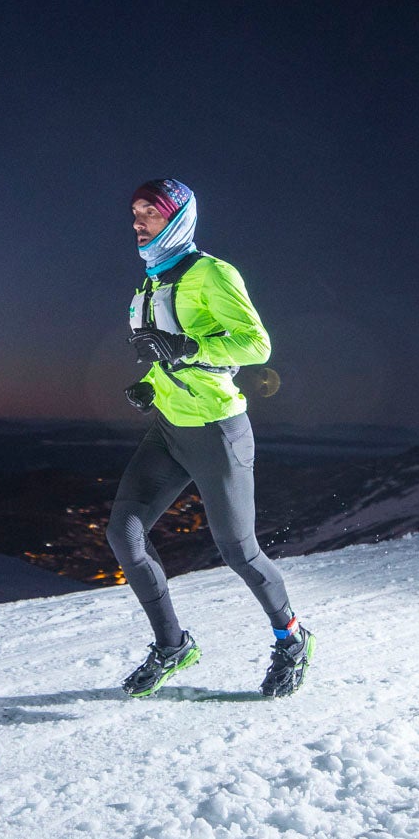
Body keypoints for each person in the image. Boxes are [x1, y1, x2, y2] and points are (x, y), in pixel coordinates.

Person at [107, 178, 314, 698]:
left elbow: (256, 345)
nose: (137, 223)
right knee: (124, 536)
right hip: (169, 428)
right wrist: (148, 384)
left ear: (176, 218)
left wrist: (189, 346)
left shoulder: (212, 272)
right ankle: (174, 647)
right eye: (133, 213)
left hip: (217, 431)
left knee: (239, 552)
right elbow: (164, 353)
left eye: (149, 213)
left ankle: (292, 640)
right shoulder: (150, 284)